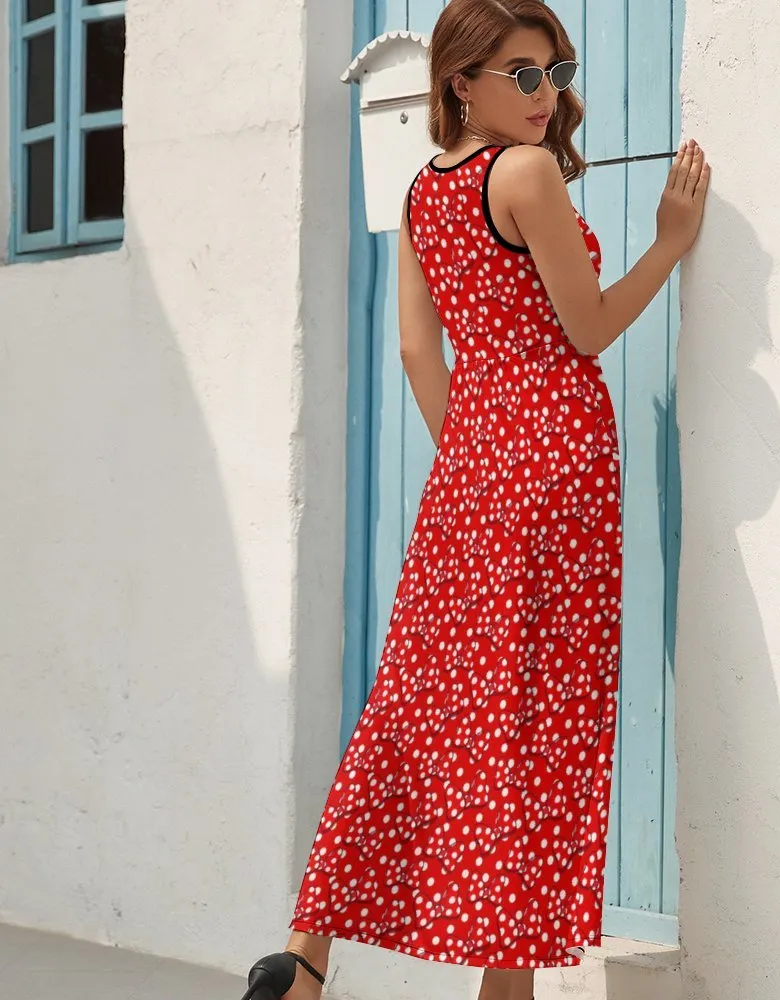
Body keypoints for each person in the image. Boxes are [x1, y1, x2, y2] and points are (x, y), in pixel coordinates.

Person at [239, 1, 709, 998]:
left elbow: (417, 349)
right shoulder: (525, 174)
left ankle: (306, 957)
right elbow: (584, 330)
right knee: (533, 725)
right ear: (462, 82)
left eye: (554, 70)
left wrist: (476, 456)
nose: (545, 95)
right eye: (522, 75)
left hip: (470, 474)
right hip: (556, 474)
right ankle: (502, 988)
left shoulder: (420, 191)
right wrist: (668, 243)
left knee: (413, 709)